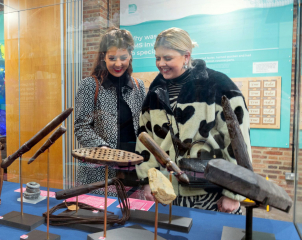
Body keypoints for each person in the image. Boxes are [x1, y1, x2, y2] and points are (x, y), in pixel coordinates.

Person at [135, 27, 252, 214]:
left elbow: (238, 144)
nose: (160, 63)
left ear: (186, 56)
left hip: (212, 196)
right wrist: (147, 181)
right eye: (157, 58)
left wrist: (234, 192)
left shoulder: (219, 86)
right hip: (167, 194)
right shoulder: (154, 93)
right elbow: (145, 141)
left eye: (167, 58)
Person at [74, 28, 146, 196]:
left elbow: (144, 126)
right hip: (100, 171)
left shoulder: (138, 86)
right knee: (101, 216)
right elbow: (81, 127)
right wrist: (103, 149)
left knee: (131, 217)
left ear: (130, 56)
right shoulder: (90, 85)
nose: (118, 64)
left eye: (123, 57)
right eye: (112, 58)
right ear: (103, 57)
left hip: (133, 171)